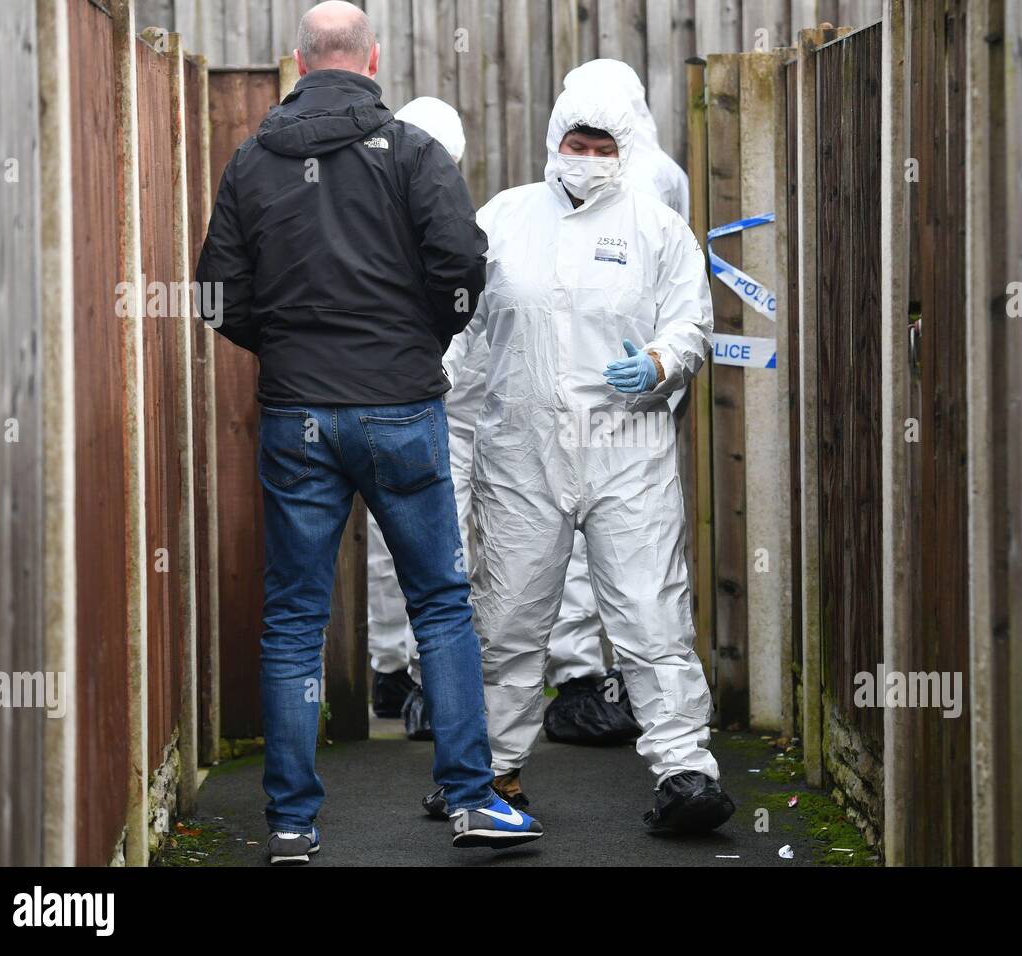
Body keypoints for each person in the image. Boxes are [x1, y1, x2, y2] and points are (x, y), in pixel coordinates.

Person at [194, 0, 542, 863]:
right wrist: (416, 341)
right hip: (401, 407)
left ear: (302, 64)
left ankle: (289, 822)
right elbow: (463, 265)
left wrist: (286, 347)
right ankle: (471, 801)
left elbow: (215, 296)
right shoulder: (415, 154)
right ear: (373, 60)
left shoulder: (251, 160)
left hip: (298, 415)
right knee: (441, 606)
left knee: (292, 621)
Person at [438, 83, 735, 832]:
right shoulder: (503, 220)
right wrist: (437, 394)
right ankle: (486, 774)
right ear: (554, 144)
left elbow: (691, 324)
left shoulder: (658, 229)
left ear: (624, 151)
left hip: (624, 447)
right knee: (507, 617)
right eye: (579, 146)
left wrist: (662, 363)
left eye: (605, 149)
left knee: (650, 612)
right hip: (521, 453)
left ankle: (686, 774)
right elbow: (459, 333)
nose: (590, 161)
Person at [538, 59, 695, 747]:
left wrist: (657, 365)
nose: (592, 156)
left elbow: (676, 291)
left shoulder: (647, 184)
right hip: (624, 398)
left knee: (614, 556)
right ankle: (629, 696)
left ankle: (591, 684)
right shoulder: (651, 175)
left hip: (618, 394)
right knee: (643, 558)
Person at [366, 97, 468, 743]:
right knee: (437, 554)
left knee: (391, 547)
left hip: (374, 400)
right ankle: (432, 696)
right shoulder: (455, 221)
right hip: (422, 403)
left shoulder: (358, 216)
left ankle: (395, 675)